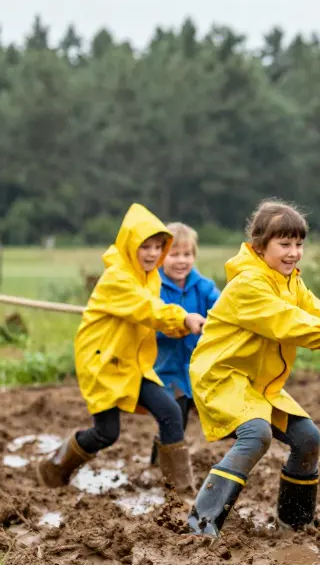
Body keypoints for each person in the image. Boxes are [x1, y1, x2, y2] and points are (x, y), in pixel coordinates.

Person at [187, 200, 320, 537]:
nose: (294, 252)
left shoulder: (290, 282)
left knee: (308, 438)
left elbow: (317, 311)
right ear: (259, 246)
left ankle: (294, 523)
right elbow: (288, 323)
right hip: (222, 376)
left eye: (299, 244)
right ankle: (201, 523)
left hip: (258, 384)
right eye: (284, 244)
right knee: (256, 435)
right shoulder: (248, 286)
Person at [37, 205, 206, 493]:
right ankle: (52, 468)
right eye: (146, 247)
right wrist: (182, 318)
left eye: (158, 247)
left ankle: (180, 491)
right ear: (130, 245)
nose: (153, 254)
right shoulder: (117, 279)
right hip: (103, 365)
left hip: (132, 365)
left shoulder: (147, 276)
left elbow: (151, 310)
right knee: (107, 433)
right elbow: (148, 308)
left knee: (170, 412)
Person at [150, 223, 221, 465]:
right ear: (160, 257)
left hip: (197, 368)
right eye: (174, 254)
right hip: (166, 367)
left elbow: (221, 306)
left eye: (187, 254)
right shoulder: (154, 288)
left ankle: (160, 461)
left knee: (183, 418)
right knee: (174, 416)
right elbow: (153, 324)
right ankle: (165, 469)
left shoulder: (203, 287)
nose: (181, 261)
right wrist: (182, 324)